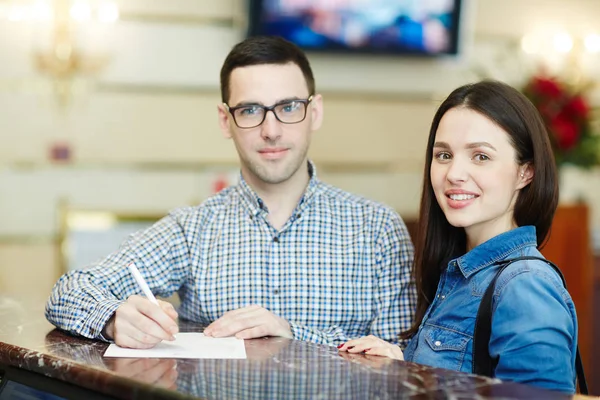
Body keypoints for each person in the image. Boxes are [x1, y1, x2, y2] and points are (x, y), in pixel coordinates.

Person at [45, 36, 416, 349]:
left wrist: (293, 334)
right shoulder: (193, 229)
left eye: (288, 107)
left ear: (314, 112)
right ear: (226, 120)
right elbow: (68, 291)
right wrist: (113, 319)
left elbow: (400, 360)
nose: (271, 130)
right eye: (251, 110)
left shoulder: (378, 229)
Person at [338, 80, 578, 393]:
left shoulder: (525, 285)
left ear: (525, 172)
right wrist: (403, 367)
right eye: (444, 155)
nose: (454, 174)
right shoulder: (459, 275)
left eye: (480, 156)